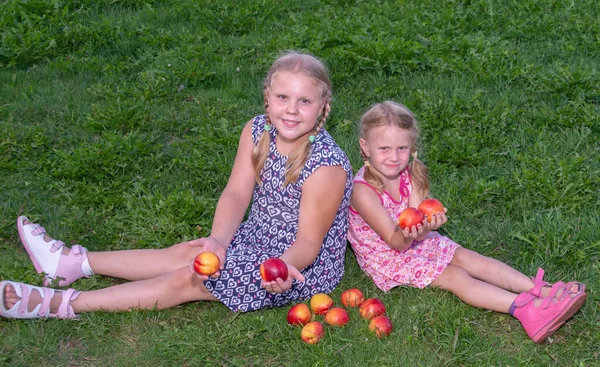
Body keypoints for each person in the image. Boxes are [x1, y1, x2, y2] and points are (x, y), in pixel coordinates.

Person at [0, 51, 353, 318]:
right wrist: (217, 240)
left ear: (323, 107)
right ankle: (72, 263)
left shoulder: (326, 165)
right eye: (283, 98)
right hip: (259, 235)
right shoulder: (257, 130)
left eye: (304, 101)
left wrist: (277, 268)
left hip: (297, 265)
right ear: (267, 98)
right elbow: (236, 192)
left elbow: (308, 242)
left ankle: (60, 304)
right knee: (190, 253)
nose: (291, 110)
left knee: (190, 278)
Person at [347, 100, 587, 344]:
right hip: (387, 254)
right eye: (384, 148)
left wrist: (427, 227)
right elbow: (396, 242)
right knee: (455, 277)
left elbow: (416, 229)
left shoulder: (412, 175)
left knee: (468, 257)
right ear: (365, 147)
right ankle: (527, 310)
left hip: (412, 240)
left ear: (412, 147)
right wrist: (416, 233)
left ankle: (541, 290)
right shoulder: (363, 191)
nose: (394, 157)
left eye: (402, 148)